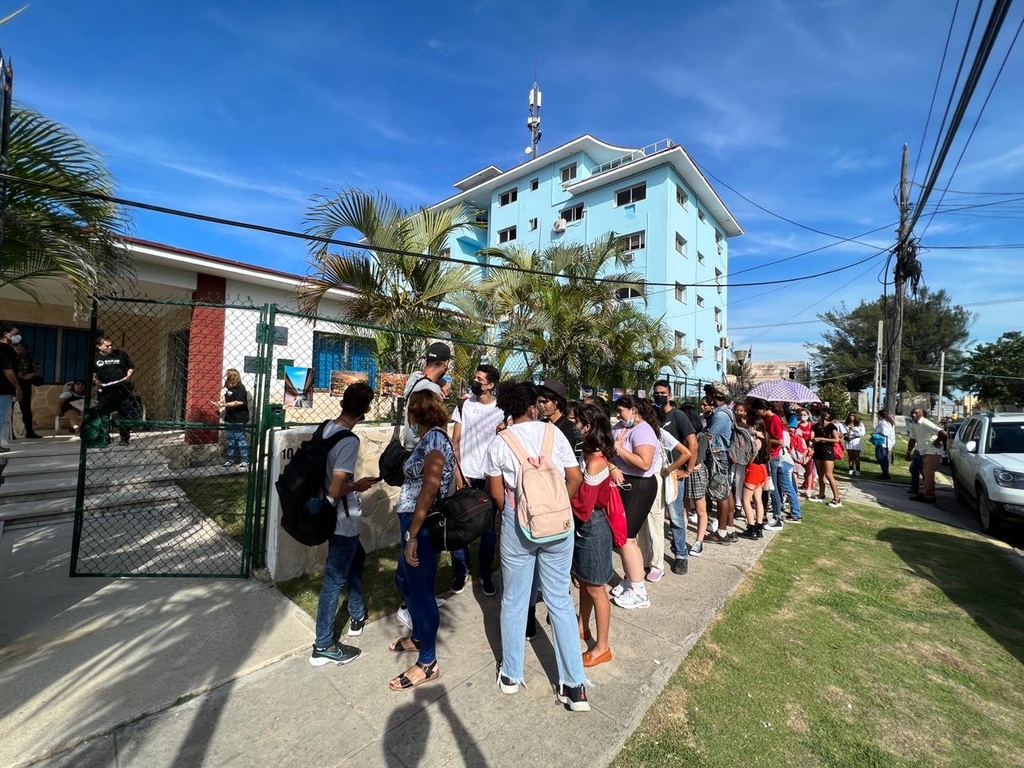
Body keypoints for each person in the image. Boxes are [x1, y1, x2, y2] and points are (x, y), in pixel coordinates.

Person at [485, 382, 589, 711]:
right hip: (558, 522)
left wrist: (518, 512)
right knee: (559, 598)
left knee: (515, 598)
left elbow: (497, 492)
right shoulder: (554, 434)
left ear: (505, 407)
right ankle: (575, 686)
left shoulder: (500, 443)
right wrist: (556, 506)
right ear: (533, 405)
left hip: (519, 521)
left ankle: (512, 674)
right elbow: (574, 477)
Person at [389, 390, 456, 691]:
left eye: (411, 412)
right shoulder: (428, 439)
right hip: (413, 520)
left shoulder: (436, 440)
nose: (409, 418)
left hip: (422, 525)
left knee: (420, 590)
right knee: (405, 581)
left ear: (419, 413)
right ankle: (419, 637)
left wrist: (413, 534)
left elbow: (430, 487)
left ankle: (428, 663)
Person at [309, 382, 380, 667]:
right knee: (334, 580)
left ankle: (357, 613)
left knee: (357, 559)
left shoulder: (326, 428)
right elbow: (337, 488)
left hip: (328, 516)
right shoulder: (349, 441)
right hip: (343, 519)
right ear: (365, 410)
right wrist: (359, 484)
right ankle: (323, 645)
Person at [450, 363, 504, 596]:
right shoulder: (464, 405)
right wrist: (458, 474)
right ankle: (460, 573)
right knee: (460, 526)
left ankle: (484, 573)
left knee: (488, 529)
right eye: (475, 377)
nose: (475, 381)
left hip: (490, 477)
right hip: (466, 475)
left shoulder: (502, 409)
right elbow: (456, 442)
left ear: (491, 385)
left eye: (480, 379)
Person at [570, 404, 617, 668]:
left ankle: (602, 646)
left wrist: (564, 489)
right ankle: (582, 625)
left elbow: (583, 505)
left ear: (588, 427)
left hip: (592, 527)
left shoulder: (596, 461)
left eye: (577, 422)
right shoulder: (590, 455)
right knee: (586, 581)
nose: (574, 426)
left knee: (597, 588)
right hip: (584, 527)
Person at [608, 395, 660, 610]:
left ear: (634, 410)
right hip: (626, 484)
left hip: (640, 486)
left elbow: (644, 463)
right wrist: (613, 464)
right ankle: (630, 579)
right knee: (626, 537)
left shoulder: (643, 430)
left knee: (626, 539)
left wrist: (619, 448)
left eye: (621, 411)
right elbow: (608, 453)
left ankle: (639, 592)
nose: (618, 415)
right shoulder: (621, 427)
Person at [651, 380, 699, 576]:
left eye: (662, 392)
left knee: (676, 515)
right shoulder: (653, 416)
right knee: (654, 515)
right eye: (656, 393)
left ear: (670, 394)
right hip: (654, 473)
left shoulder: (678, 416)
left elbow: (693, 444)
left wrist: (687, 470)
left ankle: (681, 555)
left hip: (673, 475)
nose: (659, 396)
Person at [93, 336, 142, 446]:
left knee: (124, 413)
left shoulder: (121, 354)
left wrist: (128, 376)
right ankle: (104, 437)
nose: (110, 347)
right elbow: (93, 373)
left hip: (122, 389)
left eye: (111, 345)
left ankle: (124, 439)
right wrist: (95, 381)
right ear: (99, 347)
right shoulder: (95, 358)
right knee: (103, 414)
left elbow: (131, 367)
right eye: (107, 346)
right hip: (105, 390)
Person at [401, 342, 451, 449]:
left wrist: (442, 382)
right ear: (446, 363)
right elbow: (438, 425)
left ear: (426, 361)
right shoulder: (433, 390)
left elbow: (423, 375)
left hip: (408, 448)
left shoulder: (413, 378)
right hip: (422, 450)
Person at [705, 384, 738, 544]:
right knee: (727, 492)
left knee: (721, 494)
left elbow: (709, 436)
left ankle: (722, 532)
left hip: (718, 456)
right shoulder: (728, 412)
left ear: (714, 395)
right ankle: (730, 529)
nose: (706, 396)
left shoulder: (720, 416)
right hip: (724, 456)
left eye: (708, 393)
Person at [752, 398, 789, 532]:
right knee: (766, 488)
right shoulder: (766, 420)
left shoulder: (774, 419)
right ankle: (766, 516)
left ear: (763, 409)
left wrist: (764, 438)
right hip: (767, 456)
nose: (757, 414)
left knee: (772, 487)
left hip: (774, 456)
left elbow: (779, 441)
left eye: (757, 411)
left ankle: (777, 517)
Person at [906, 408, 946, 504]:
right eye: (912, 413)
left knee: (928, 473)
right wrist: (908, 452)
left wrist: (936, 442)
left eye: (916, 413)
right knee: (924, 472)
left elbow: (943, 433)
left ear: (922, 414)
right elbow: (912, 439)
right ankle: (926, 493)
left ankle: (928, 496)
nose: (914, 415)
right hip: (923, 451)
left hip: (933, 451)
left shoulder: (926, 423)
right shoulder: (913, 425)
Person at [739, 416, 770, 539]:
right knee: (758, 500)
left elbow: (752, 455)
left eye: (749, 427)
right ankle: (759, 526)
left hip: (754, 470)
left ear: (755, 427)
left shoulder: (757, 441)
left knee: (746, 500)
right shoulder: (765, 438)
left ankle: (751, 527)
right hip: (762, 469)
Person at [537, 379, 582, 458]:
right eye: (539, 402)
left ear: (556, 402)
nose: (541, 405)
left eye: (544, 402)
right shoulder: (540, 425)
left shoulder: (569, 428)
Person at [217, 369, 250, 468]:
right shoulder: (230, 387)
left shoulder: (240, 388)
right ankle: (230, 460)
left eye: (227, 375)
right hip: (230, 417)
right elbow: (228, 398)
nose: (225, 376)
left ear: (233, 376)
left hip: (239, 417)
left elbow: (240, 401)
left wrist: (225, 404)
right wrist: (221, 402)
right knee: (231, 438)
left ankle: (244, 460)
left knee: (240, 438)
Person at [809, 408, 842, 507]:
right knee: (820, 474)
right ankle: (821, 494)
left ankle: (837, 497)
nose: (817, 417)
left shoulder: (831, 426)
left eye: (819, 415)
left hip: (827, 451)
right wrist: (811, 442)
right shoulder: (815, 426)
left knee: (829, 474)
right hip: (818, 451)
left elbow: (836, 440)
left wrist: (822, 439)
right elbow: (812, 437)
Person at [0, 323, 23, 452]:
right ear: (6, 334)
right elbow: (8, 370)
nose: (18, 336)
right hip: (3, 388)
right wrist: (17, 387)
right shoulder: (6, 349)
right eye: (15, 334)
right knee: (1, 416)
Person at [13, 342, 43, 439]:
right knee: (8, 409)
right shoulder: (9, 356)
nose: (19, 348)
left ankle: (29, 431)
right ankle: (10, 433)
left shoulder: (28, 357)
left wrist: (31, 375)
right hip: (11, 383)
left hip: (25, 383)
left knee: (26, 409)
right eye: (17, 346)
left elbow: (37, 368)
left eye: (21, 347)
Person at [872, 410, 897, 479]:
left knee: (880, 457)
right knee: (884, 458)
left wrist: (876, 434)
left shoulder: (884, 423)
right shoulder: (890, 422)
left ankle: (885, 473)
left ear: (880, 415)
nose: (877, 416)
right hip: (887, 443)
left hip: (882, 442)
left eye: (878, 415)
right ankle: (886, 472)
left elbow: (885, 432)